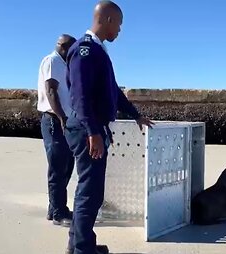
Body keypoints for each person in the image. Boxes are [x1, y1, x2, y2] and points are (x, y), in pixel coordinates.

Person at [63, 1, 154, 253]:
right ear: (108, 20)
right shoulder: (85, 50)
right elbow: (79, 96)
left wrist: (136, 115)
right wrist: (93, 132)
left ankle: (79, 244)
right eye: (119, 25)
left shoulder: (98, 50)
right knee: (90, 193)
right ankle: (82, 249)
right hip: (85, 130)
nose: (120, 32)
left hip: (89, 128)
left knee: (89, 191)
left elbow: (113, 92)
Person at [37, 34, 77, 227]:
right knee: (58, 167)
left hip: (65, 122)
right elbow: (50, 91)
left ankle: (55, 207)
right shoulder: (52, 61)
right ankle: (59, 213)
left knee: (67, 166)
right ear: (63, 46)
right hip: (54, 121)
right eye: (72, 48)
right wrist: (62, 117)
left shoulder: (65, 64)